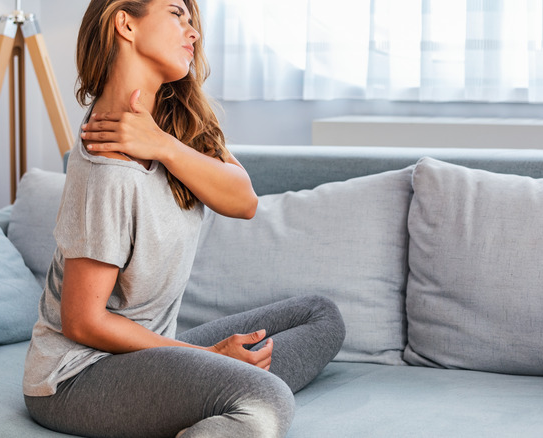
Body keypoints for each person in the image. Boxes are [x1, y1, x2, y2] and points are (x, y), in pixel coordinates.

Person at [22, 1, 346, 437]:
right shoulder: (106, 162)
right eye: (177, 13)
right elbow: (81, 321)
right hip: (77, 377)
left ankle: (210, 396)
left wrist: (162, 145)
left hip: (149, 355)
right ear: (125, 22)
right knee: (266, 402)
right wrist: (212, 357)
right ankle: (224, 396)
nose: (192, 31)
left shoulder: (174, 123)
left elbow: (244, 200)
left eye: (192, 20)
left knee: (320, 316)